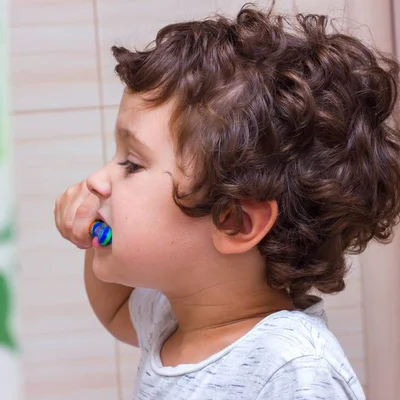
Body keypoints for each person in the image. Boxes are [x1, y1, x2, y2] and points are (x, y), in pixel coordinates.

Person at [54, 3, 400, 399]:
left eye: (131, 164)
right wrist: (92, 229)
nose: (98, 180)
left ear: (234, 221)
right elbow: (114, 310)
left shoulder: (295, 368)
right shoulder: (174, 319)